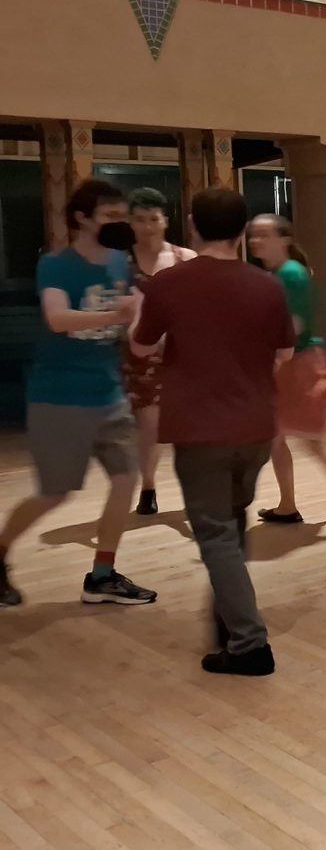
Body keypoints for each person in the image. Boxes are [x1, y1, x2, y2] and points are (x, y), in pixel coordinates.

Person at [133, 188, 295, 675]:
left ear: (192, 225)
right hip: (256, 427)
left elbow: (141, 347)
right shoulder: (267, 285)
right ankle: (227, 621)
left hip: (200, 428)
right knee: (231, 522)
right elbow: (285, 352)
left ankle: (249, 644)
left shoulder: (169, 283)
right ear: (242, 230)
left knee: (217, 536)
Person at [0, 180, 155, 609]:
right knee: (55, 493)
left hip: (109, 394)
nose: (119, 223)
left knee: (126, 480)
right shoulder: (56, 265)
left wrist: (143, 324)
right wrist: (115, 314)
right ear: (83, 218)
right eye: (110, 216)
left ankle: (102, 575)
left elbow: (131, 323)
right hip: (60, 395)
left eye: (122, 216)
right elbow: (57, 318)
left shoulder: (120, 263)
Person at [247, 215, 326, 536]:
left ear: (284, 239)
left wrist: (269, 363)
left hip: (299, 367)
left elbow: (294, 326)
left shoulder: (290, 273)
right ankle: (287, 505)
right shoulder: (278, 273)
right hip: (289, 364)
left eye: (264, 235)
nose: (256, 241)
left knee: (315, 445)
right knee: (276, 438)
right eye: (253, 235)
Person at [121, 187, 195, 517]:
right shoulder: (119, 263)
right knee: (149, 425)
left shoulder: (185, 258)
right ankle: (148, 486)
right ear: (130, 222)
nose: (148, 226)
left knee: (188, 426)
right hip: (140, 353)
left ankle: (195, 488)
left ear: (165, 220)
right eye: (140, 220)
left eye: (153, 219)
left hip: (183, 354)